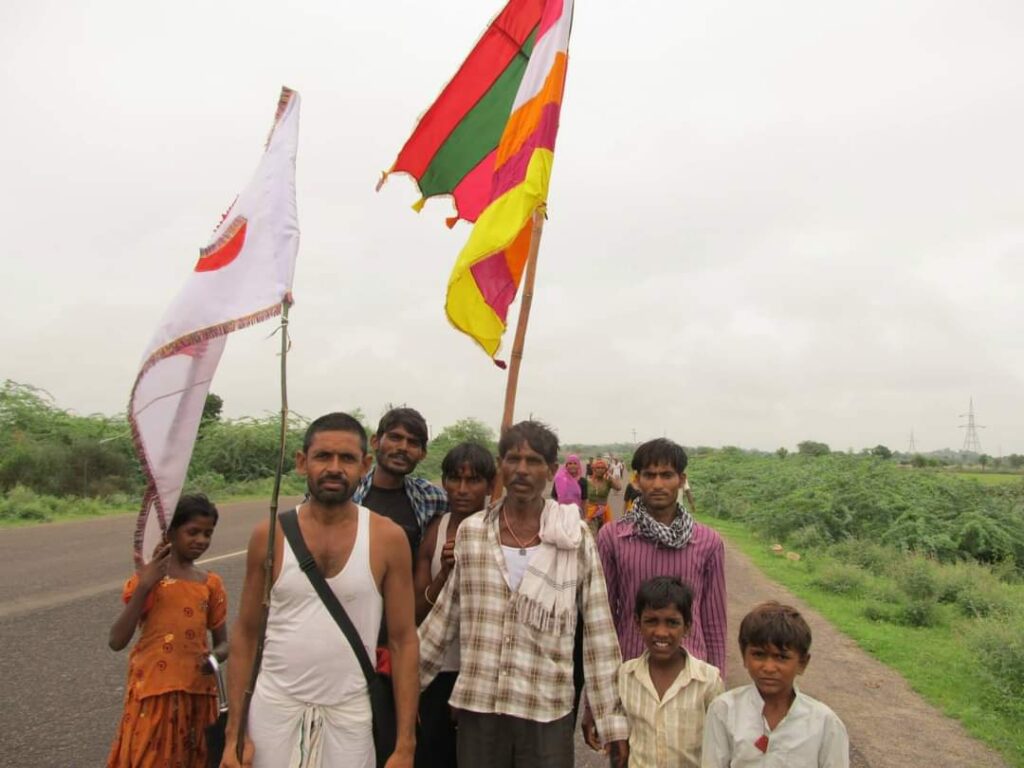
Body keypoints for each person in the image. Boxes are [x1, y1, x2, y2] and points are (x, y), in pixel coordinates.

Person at [418, 421, 629, 768]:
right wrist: (404, 689)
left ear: (551, 469)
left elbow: (598, 630)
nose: (522, 470)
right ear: (500, 465)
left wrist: (611, 719)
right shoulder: (473, 533)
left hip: (546, 710)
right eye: (513, 459)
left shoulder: (572, 537)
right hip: (481, 707)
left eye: (533, 461)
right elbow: (442, 621)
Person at [222, 412, 419, 768]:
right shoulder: (270, 536)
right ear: (302, 462)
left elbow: (403, 641)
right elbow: (247, 635)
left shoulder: (387, 538)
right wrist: (235, 732)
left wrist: (405, 744)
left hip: (350, 715)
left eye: (347, 459)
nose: (334, 468)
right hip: (273, 710)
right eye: (323, 456)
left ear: (365, 465)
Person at [106, 493, 228, 768]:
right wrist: (145, 585)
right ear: (171, 532)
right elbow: (116, 640)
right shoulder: (150, 580)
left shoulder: (211, 584)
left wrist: (214, 658)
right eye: (192, 532)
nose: (201, 540)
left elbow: (224, 643)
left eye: (208, 534)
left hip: (197, 693)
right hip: (154, 692)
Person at [597, 438, 727, 673]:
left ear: (681, 480)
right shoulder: (613, 537)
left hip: (692, 676)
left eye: (667, 475)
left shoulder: (708, 542)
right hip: (630, 671)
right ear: (637, 480)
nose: (658, 484)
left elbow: (714, 620)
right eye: (649, 475)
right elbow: (603, 616)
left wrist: (718, 680)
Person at [413, 442, 496, 768]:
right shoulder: (436, 531)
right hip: (439, 669)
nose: (462, 489)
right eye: (454, 479)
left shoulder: (503, 531)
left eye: (473, 480)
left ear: (490, 485)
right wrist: (445, 573)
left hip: (486, 673)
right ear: (444, 481)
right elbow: (417, 611)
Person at [584, 576, 724, 768]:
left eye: (672, 623)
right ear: (637, 623)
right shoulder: (625, 676)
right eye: (651, 621)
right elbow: (619, 729)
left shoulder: (708, 681)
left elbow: (720, 744)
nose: (661, 632)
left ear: (687, 627)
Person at [701, 602, 849, 767]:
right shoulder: (724, 710)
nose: (769, 668)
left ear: (802, 663)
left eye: (781, 657)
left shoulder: (825, 724)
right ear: (744, 657)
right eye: (759, 655)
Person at [354, 406, 447, 560]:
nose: (403, 448)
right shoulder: (349, 493)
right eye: (395, 438)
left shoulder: (430, 497)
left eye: (413, 443)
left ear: (422, 454)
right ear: (375, 442)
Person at [584, 457, 622, 535]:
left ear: (605, 470)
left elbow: (618, 487)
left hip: (604, 512)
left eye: (602, 468)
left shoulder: (607, 481)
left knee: (605, 535)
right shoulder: (588, 482)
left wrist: (610, 476)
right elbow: (583, 498)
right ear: (593, 469)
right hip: (591, 513)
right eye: (598, 468)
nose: (600, 470)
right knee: (592, 535)